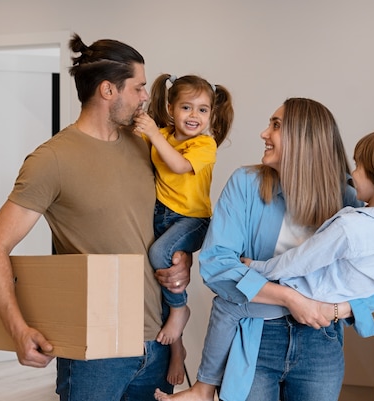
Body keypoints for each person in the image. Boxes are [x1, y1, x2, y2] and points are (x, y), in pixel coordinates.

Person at [0, 33, 192, 401]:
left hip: (157, 340)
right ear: (108, 90)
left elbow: (162, 224)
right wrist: (17, 329)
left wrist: (183, 259)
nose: (145, 97)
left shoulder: (145, 146)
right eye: (139, 87)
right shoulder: (52, 160)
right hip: (96, 350)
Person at [155, 98, 374, 401]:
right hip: (254, 336)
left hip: (320, 340)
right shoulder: (245, 184)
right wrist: (291, 298)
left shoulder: (349, 200)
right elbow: (216, 265)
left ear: (303, 137)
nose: (263, 133)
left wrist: (334, 310)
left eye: (276, 126)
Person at [133, 74, 234, 385]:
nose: (194, 116)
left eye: (203, 110)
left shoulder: (205, 144)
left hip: (192, 220)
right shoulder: (161, 134)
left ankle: (180, 310)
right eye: (187, 107)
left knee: (159, 253)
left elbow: (177, 165)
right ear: (170, 108)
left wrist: (153, 133)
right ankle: (176, 349)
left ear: (212, 116)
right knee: (160, 286)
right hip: (161, 215)